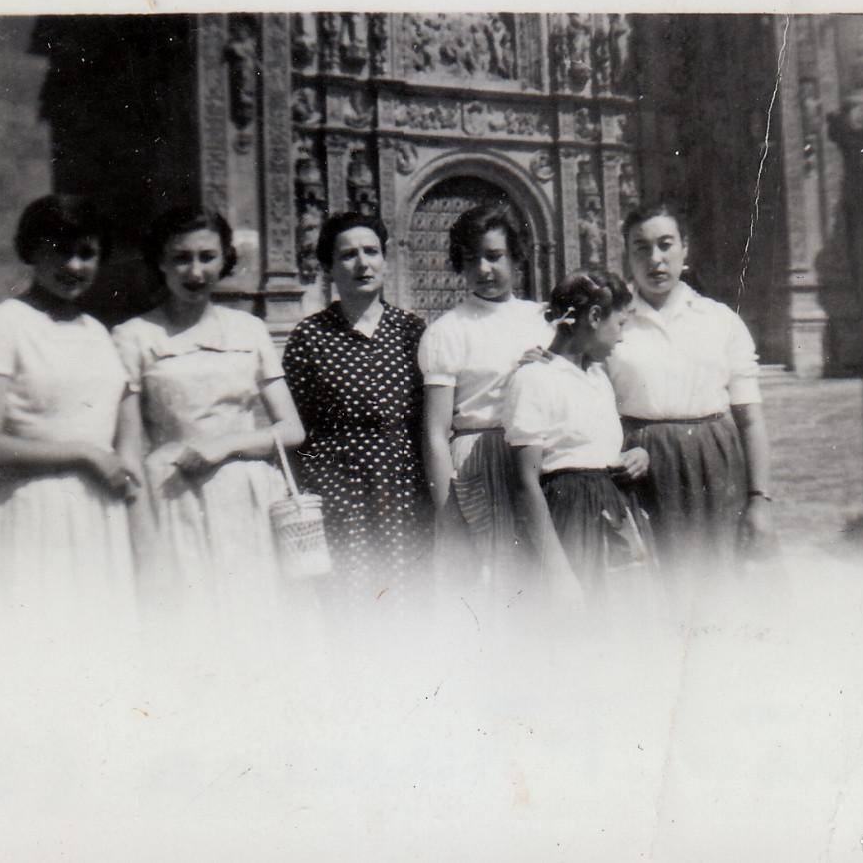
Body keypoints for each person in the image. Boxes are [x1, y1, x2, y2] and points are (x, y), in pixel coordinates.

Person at [112, 207, 307, 622]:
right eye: (181, 258)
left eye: (207, 257)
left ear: (224, 260)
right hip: (174, 495)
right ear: (161, 262)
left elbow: (292, 429)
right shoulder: (133, 337)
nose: (195, 271)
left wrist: (227, 445)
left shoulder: (249, 329)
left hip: (249, 498)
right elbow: (127, 449)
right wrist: (144, 539)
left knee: (255, 618)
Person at [0, 194, 137, 620]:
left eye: (86, 253)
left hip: (99, 513)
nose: (74, 265)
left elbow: (122, 422)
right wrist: (85, 453)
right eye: (60, 250)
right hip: (33, 511)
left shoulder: (97, 331)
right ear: (33, 251)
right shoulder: (2, 325)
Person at [605, 202, 776, 564]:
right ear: (627, 255)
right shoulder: (610, 324)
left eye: (665, 245)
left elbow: (750, 420)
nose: (655, 259)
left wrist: (759, 499)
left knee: (719, 578)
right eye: (641, 247)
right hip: (638, 471)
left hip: (714, 467)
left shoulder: (720, 321)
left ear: (685, 248)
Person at [282, 211, 432, 606]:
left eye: (371, 251)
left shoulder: (412, 331)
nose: (363, 263)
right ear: (329, 268)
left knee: (410, 605)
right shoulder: (309, 337)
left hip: (405, 494)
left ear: (385, 259)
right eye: (348, 255)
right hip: (338, 500)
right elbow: (296, 431)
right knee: (350, 609)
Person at [418, 202, 551, 601]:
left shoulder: (543, 319)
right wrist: (449, 512)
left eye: (494, 256)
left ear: (516, 257)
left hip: (541, 458)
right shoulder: (447, 331)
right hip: (479, 462)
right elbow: (436, 432)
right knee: (489, 586)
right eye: (472, 258)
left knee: (541, 578)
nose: (483, 268)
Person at [503, 269, 654, 614]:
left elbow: (595, 447)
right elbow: (526, 483)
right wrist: (557, 571)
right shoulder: (534, 379)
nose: (622, 338)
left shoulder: (598, 377)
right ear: (595, 317)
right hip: (570, 521)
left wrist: (635, 455)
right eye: (620, 324)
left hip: (614, 517)